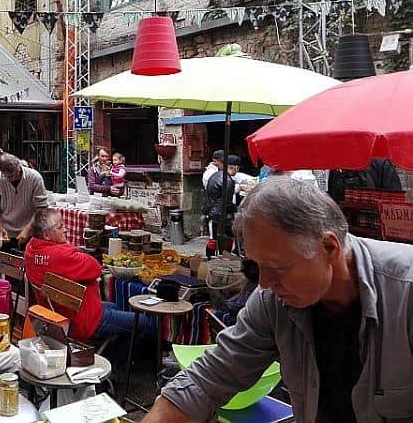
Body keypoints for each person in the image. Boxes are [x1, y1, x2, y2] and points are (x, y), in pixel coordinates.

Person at [143, 176, 413, 423]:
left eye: (277, 268)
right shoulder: (273, 300)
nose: (263, 283)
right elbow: (208, 379)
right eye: (255, 268)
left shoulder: (406, 293)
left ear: (329, 248)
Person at [24, 209, 153, 343]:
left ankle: (110, 353)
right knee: (145, 322)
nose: (66, 230)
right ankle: (117, 361)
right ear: (46, 235)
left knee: (115, 307)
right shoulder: (62, 255)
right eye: (60, 227)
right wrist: (67, 247)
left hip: (58, 314)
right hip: (83, 321)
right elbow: (95, 268)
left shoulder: (30, 249)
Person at [0, 152, 48, 247]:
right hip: (7, 232)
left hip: (30, 232)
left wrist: (28, 229)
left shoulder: (35, 178)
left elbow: (42, 208)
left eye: (11, 176)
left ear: (19, 168)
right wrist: (1, 227)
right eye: (6, 176)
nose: (9, 179)